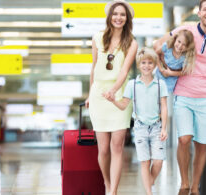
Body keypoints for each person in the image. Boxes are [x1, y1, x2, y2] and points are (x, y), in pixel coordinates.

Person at [153, 1, 206, 195]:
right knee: (184, 139)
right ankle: (184, 183)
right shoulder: (185, 30)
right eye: (205, 9)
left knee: (201, 144)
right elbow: (158, 45)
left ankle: (194, 187)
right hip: (183, 94)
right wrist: (163, 69)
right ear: (199, 12)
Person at [85, 0, 138, 194]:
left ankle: (113, 191)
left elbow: (124, 71)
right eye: (115, 14)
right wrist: (90, 93)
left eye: (122, 15)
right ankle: (107, 183)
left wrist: (114, 91)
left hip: (119, 97)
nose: (118, 18)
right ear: (110, 16)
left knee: (117, 147)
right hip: (99, 96)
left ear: (127, 19)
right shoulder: (98, 37)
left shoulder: (132, 42)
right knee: (103, 149)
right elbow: (93, 66)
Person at [105, 48, 168, 195]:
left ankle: (149, 181)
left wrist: (164, 128)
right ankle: (148, 192)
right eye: (143, 63)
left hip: (157, 127)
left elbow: (164, 108)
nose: (147, 66)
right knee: (145, 162)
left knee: (158, 161)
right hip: (140, 128)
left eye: (150, 63)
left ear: (155, 65)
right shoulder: (132, 85)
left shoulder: (160, 85)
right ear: (139, 65)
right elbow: (123, 105)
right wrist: (113, 100)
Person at [155, 29, 196, 93]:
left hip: (171, 81)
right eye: (179, 41)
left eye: (184, 44)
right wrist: (161, 69)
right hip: (158, 75)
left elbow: (184, 72)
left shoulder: (185, 56)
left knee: (165, 97)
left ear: (188, 46)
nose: (180, 46)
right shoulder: (167, 46)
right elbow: (156, 54)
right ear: (175, 39)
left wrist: (170, 73)